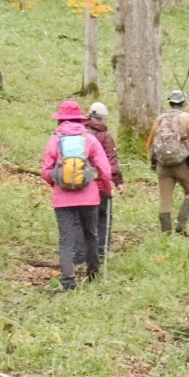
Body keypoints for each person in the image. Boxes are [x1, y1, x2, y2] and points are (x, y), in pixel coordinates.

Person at [40, 100, 113, 289]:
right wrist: (106, 187)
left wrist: (56, 183)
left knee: (66, 239)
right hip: (89, 197)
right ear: (80, 119)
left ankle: (68, 280)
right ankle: (93, 273)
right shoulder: (89, 139)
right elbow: (104, 168)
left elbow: (46, 171)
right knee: (91, 234)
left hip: (62, 199)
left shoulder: (54, 140)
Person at [147, 89, 189, 236]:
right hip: (182, 164)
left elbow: (150, 142)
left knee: (165, 198)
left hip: (163, 165)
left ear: (170, 103)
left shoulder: (160, 119)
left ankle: (166, 232)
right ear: (184, 103)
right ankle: (182, 224)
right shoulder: (188, 118)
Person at [85, 102, 123, 264]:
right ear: (104, 119)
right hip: (100, 184)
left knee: (85, 218)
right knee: (104, 216)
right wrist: (118, 181)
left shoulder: (81, 132)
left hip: (82, 184)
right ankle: (102, 251)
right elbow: (111, 162)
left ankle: (83, 252)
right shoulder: (105, 137)